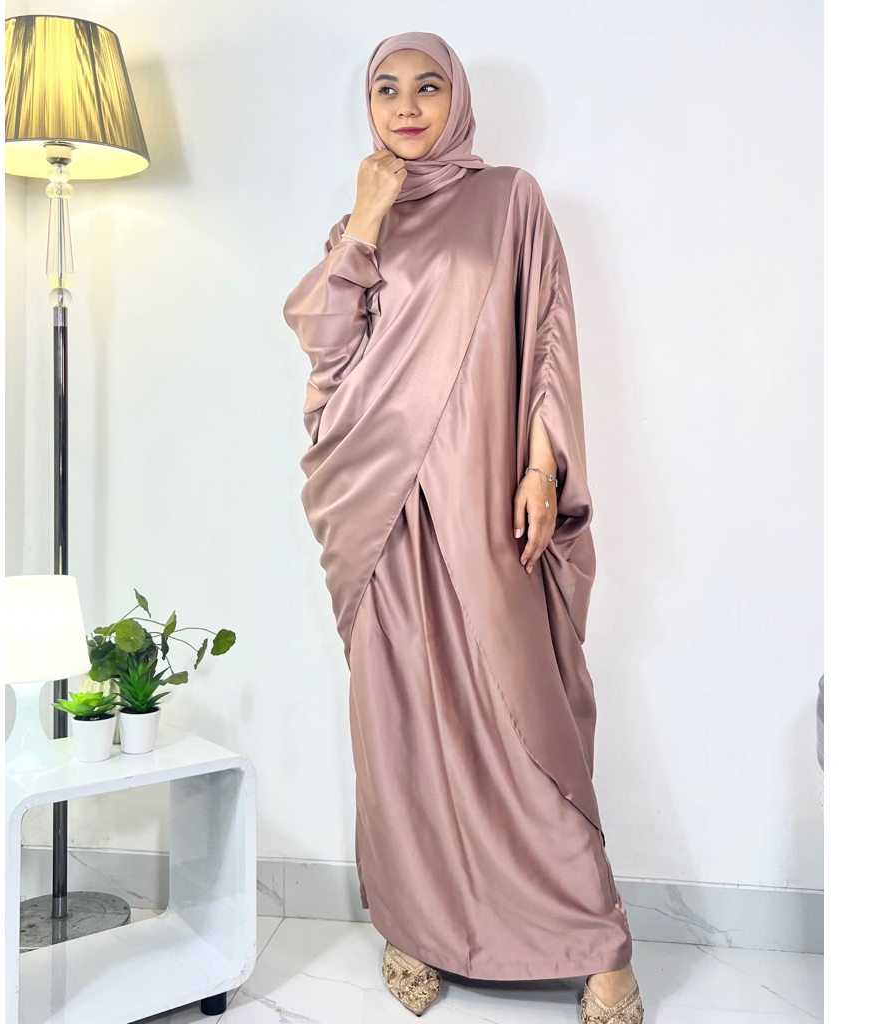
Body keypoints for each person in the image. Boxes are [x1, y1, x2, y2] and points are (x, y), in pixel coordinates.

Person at [282, 30, 645, 1023]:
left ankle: (594, 939)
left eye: (427, 86)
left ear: (458, 100)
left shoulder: (511, 200)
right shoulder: (357, 222)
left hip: (482, 494)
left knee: (520, 709)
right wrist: (365, 220)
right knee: (399, 719)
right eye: (386, 89)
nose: (406, 106)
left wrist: (540, 465)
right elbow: (327, 354)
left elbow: (550, 335)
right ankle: (417, 922)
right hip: (378, 504)